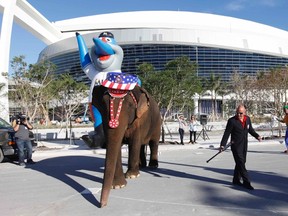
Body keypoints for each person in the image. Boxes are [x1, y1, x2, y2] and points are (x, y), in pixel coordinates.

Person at [220, 105, 261, 190]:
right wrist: (222, 145)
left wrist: (257, 136)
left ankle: (236, 179)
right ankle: (246, 182)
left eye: (241, 113)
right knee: (241, 163)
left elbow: (250, 130)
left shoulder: (247, 119)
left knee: (241, 162)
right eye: (237, 112)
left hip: (244, 144)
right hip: (235, 146)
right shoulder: (232, 121)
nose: (239, 114)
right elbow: (226, 133)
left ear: (245, 112)